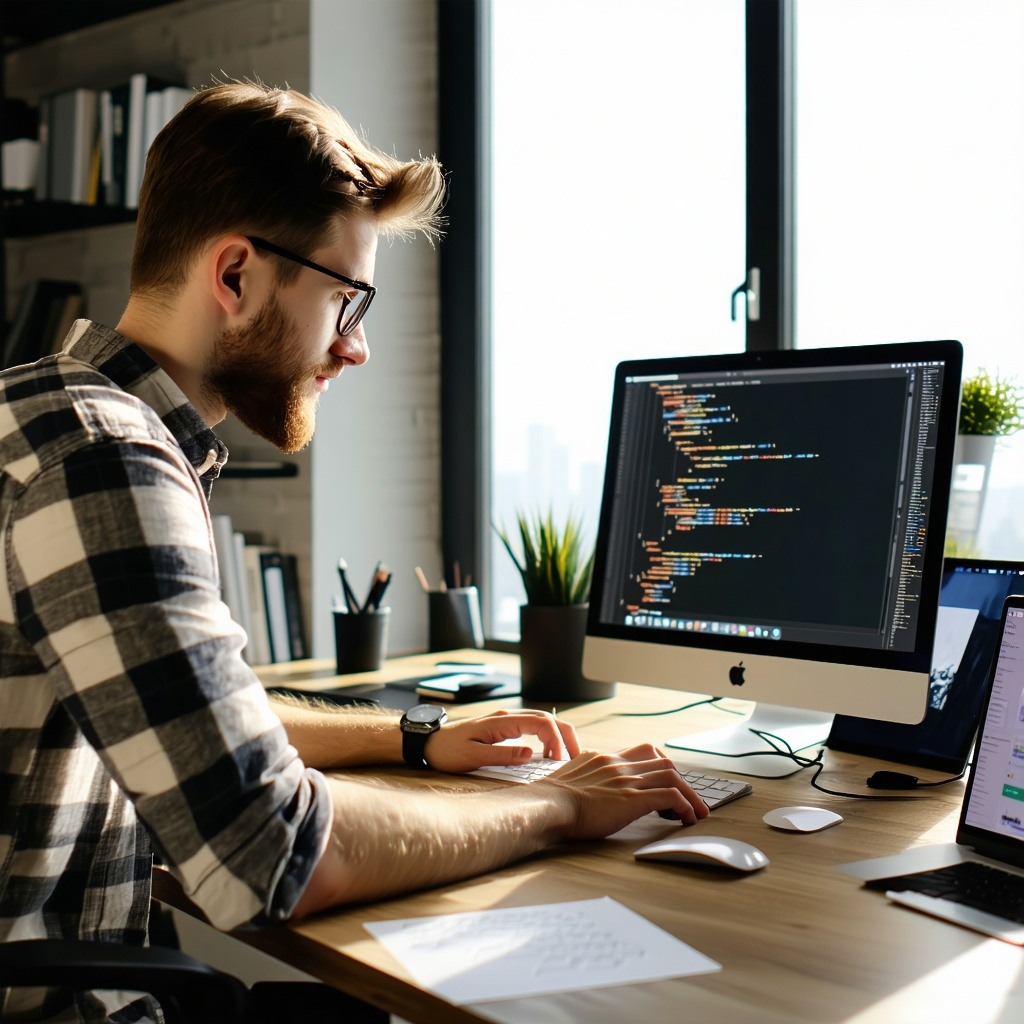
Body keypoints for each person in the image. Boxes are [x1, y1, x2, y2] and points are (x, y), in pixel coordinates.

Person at [0, 81, 707, 1022]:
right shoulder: (109, 462)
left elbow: (194, 718)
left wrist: (417, 737)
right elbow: (269, 850)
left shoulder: (40, 409)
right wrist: (559, 807)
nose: (357, 347)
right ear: (236, 274)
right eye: (346, 299)